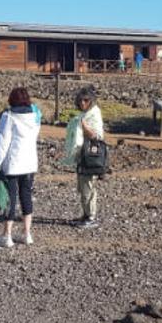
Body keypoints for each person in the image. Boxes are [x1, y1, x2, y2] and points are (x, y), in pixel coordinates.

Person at [0, 88, 41, 248]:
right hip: (29, 163)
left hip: (13, 164)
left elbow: (2, 142)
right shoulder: (34, 116)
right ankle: (27, 233)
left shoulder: (8, 116)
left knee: (10, 198)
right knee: (26, 195)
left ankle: (7, 235)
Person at [63, 88, 105, 228]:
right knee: (82, 186)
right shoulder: (84, 114)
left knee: (88, 186)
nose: (82, 103)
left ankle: (91, 216)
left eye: (86, 100)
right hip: (83, 154)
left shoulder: (94, 115)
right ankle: (85, 214)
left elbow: (97, 136)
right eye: (80, 100)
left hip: (91, 155)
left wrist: (84, 127)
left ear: (91, 101)